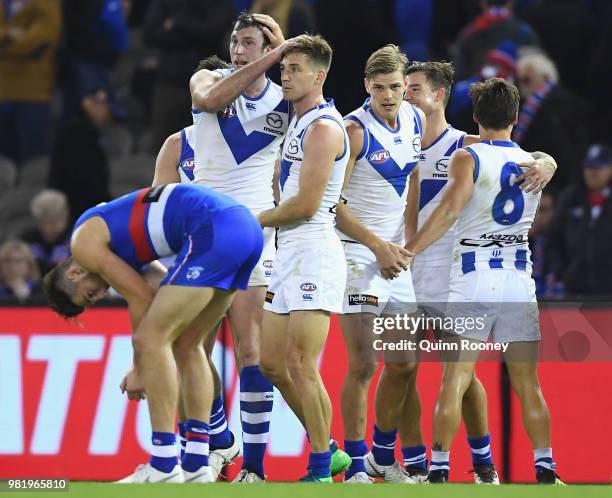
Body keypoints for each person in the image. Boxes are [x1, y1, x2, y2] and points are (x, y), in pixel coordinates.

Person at [43, 183, 264, 484]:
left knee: (152, 339)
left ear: (74, 273)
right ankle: (197, 464)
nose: (100, 296)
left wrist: (140, 368)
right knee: (188, 343)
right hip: (244, 230)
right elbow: (159, 285)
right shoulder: (114, 239)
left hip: (213, 229)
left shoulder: (83, 244)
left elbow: (141, 299)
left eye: (88, 296)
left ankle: (162, 464)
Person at [405, 78, 564, 485]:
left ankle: (439, 471)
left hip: (474, 275)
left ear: (476, 117)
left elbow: (447, 211)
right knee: (529, 384)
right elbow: (544, 163)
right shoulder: (534, 163)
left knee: (455, 378)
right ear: (514, 117)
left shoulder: (468, 157)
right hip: (517, 278)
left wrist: (411, 249)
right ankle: (546, 470)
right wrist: (549, 160)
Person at [257, 34, 348, 483]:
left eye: (295, 70)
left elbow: (307, 204)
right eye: (283, 69)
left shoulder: (324, 128)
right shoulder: (298, 121)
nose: (285, 77)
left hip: (313, 248)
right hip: (287, 250)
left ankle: (318, 468)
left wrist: (251, 220)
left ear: (320, 75)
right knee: (271, 361)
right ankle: (329, 447)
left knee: (300, 362)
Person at [334, 44, 422, 484]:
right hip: (357, 255)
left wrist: (408, 242)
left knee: (405, 364)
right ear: (365, 87)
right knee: (365, 362)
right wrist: (377, 247)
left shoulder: (415, 119)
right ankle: (352, 466)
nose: (388, 95)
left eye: (395, 86)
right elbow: (332, 204)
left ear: (407, 86)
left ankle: (382, 460)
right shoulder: (353, 130)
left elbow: (416, 178)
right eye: (379, 87)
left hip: (396, 257)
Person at [546, 144, 612, 296]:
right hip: (574, 290)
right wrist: (561, 271)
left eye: (598, 167)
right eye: (589, 167)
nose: (592, 172)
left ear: (610, 169)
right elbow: (554, 238)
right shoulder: (570, 198)